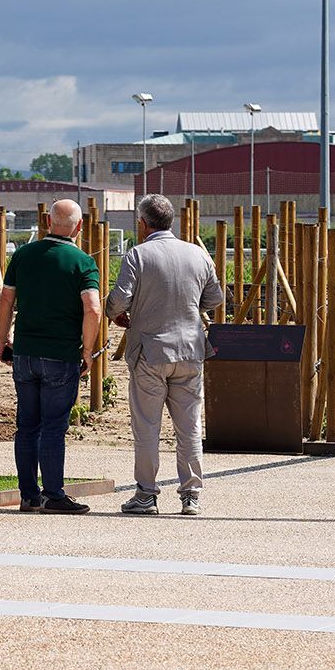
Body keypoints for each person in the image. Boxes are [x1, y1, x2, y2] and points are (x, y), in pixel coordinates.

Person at [107, 194, 224, 515]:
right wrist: (188, 306)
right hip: (190, 350)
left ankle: (146, 495)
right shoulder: (198, 255)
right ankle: (191, 496)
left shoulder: (138, 255)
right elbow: (215, 297)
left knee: (147, 427)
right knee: (189, 427)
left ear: (142, 224)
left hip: (150, 351)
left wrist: (114, 313)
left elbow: (119, 299)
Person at [0, 199, 101, 514]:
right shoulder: (82, 262)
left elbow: (6, 298)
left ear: (46, 221)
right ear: (80, 227)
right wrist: (87, 349)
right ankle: (54, 495)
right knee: (54, 426)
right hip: (61, 354)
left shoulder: (23, 256)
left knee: (27, 425)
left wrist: (3, 339)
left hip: (25, 353)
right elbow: (93, 308)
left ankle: (28, 495)